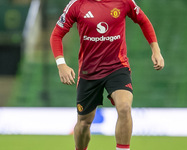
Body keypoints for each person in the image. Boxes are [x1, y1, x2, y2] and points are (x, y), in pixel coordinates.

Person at [50, 0, 164, 149]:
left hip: (117, 68)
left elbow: (143, 21)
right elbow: (56, 35)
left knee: (124, 107)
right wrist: (61, 65)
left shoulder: (124, 2)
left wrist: (156, 50)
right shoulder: (77, 4)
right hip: (89, 72)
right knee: (84, 122)